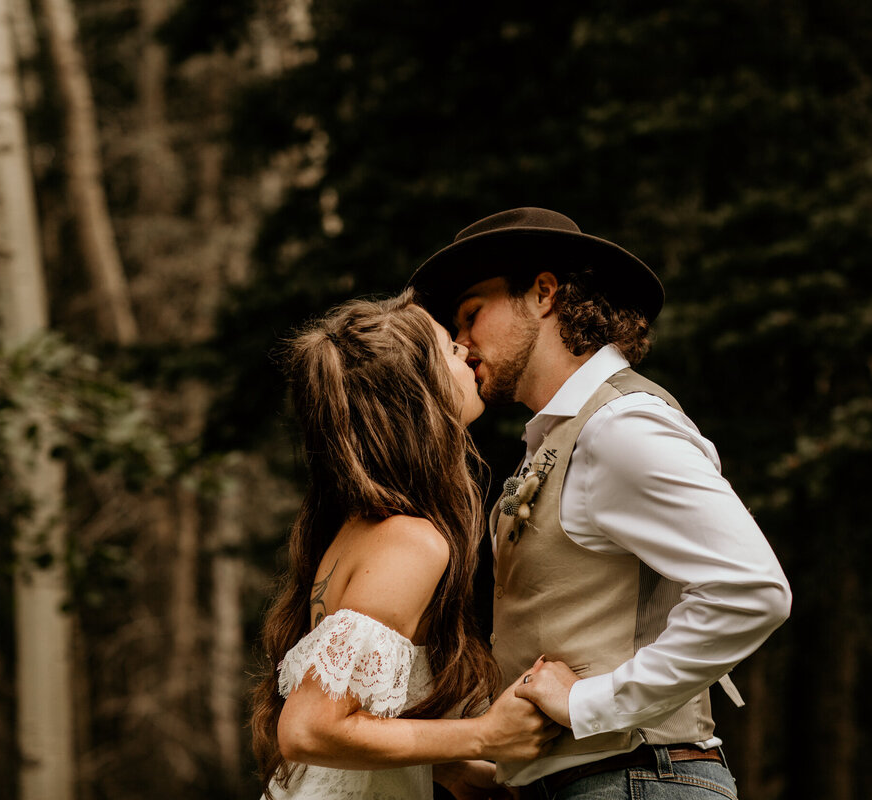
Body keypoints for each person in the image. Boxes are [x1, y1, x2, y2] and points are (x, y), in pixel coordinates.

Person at [408, 207, 792, 799]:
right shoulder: (563, 437)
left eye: (471, 313)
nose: (460, 342)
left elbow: (751, 589)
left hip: (638, 779)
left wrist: (589, 703)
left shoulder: (620, 425)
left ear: (542, 294)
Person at [252, 291, 559, 800]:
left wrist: (457, 769)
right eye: (447, 349)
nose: (465, 349)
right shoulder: (410, 541)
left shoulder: (362, 527)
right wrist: (487, 735)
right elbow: (308, 729)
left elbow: (361, 723)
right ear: (418, 393)